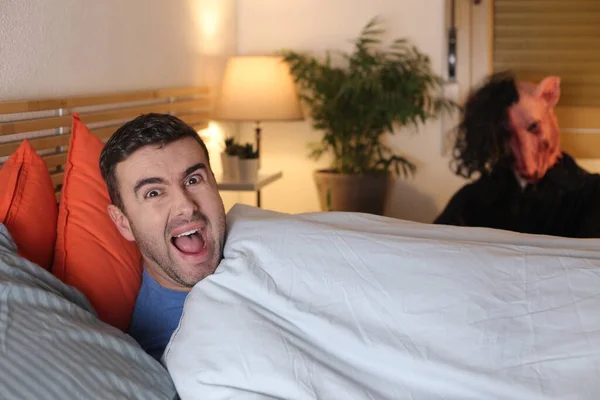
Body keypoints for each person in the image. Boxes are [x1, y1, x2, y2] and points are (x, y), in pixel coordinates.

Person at [99, 113, 226, 361]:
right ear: (122, 222)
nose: (186, 206)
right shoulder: (165, 350)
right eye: (154, 193)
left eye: (193, 180)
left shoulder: (261, 244)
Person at [434, 71, 600, 238]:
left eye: (534, 127)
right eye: (507, 136)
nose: (525, 154)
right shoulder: (471, 200)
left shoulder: (592, 195)